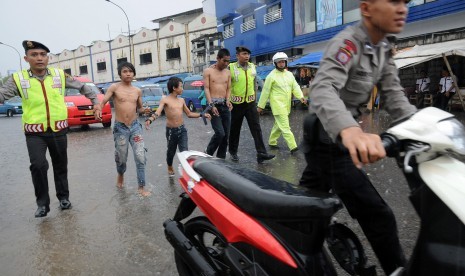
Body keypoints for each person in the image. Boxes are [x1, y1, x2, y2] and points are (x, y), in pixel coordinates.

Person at [299, 0, 416, 274]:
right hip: (328, 138)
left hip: (339, 136)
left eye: (406, 2)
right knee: (379, 216)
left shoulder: (383, 48)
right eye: (394, 1)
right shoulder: (348, 43)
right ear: (366, 8)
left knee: (307, 203)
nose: (402, 9)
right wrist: (349, 129)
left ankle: (291, 241)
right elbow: (323, 88)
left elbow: (394, 94)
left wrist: (421, 125)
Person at [0, 40, 102, 217]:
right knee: (38, 166)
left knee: (60, 165)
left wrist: (95, 102)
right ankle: (42, 204)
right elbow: (2, 95)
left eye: (42, 55)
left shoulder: (59, 75)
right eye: (34, 55)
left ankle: (64, 198)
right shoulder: (18, 79)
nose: (39, 58)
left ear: (47, 58)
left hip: (58, 129)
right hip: (34, 132)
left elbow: (83, 86)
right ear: (26, 58)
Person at [97, 62, 151, 197]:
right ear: (120, 74)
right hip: (120, 128)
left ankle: (141, 186)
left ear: (134, 74)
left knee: (140, 156)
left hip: (135, 127)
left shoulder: (137, 91)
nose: (128, 74)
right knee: (121, 158)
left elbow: (139, 108)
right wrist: (98, 107)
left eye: (130, 71)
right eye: (125, 71)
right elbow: (104, 101)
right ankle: (120, 174)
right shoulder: (114, 87)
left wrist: (144, 110)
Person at [145, 77, 210, 176]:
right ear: (174, 88)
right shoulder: (165, 100)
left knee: (185, 152)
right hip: (171, 131)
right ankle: (169, 165)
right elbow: (158, 112)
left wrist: (202, 114)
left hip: (182, 129)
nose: (182, 89)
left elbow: (189, 114)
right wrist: (151, 119)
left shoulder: (181, 100)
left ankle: (186, 173)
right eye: (181, 86)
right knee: (171, 151)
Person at [228, 46, 275, 163]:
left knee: (256, 129)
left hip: (250, 104)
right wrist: (227, 100)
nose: (247, 56)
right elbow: (226, 85)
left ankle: (261, 153)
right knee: (235, 130)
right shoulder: (231, 67)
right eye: (244, 54)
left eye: (248, 54)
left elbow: (254, 83)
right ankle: (233, 152)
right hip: (236, 104)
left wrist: (254, 97)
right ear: (238, 55)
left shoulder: (253, 67)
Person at [257, 52, 307, 153]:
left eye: (283, 62)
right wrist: (260, 106)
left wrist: (301, 97)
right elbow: (265, 91)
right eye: (279, 62)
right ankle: (293, 147)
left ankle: (272, 141)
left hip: (287, 105)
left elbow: (295, 87)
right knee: (285, 126)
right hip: (277, 105)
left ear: (286, 62)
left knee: (278, 125)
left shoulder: (289, 75)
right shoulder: (271, 76)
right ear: (275, 63)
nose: (281, 64)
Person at [203, 48, 233, 159]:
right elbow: (206, 88)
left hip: (225, 105)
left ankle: (221, 159)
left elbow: (229, 88)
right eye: (224, 61)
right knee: (220, 133)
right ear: (218, 59)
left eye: (228, 61)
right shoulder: (208, 71)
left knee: (226, 135)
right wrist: (211, 104)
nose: (226, 63)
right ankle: (208, 153)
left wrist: (228, 99)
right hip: (213, 105)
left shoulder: (228, 72)